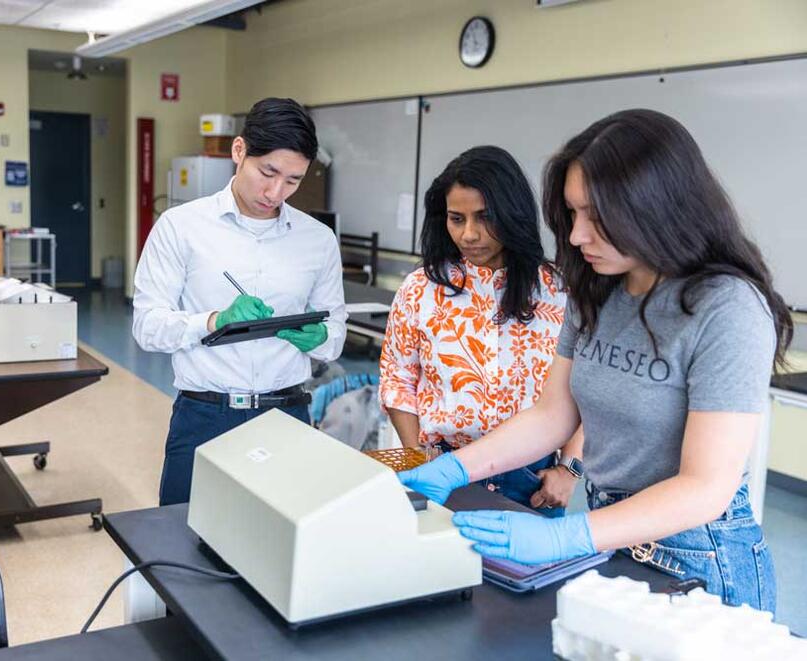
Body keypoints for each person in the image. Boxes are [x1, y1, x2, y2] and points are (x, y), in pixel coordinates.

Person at [399, 109, 792, 611]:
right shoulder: (599, 288)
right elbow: (552, 416)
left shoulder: (727, 307)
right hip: (612, 533)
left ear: (657, 206)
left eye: (597, 217)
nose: (578, 235)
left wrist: (568, 537)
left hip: (699, 557)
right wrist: (456, 467)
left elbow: (705, 488)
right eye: (573, 214)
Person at [132, 98, 347, 505]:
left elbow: (334, 337)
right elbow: (146, 327)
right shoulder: (181, 227)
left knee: (282, 553)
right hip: (204, 418)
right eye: (268, 172)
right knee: (180, 547)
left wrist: (316, 336)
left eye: (292, 181)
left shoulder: (317, 240)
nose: (275, 191)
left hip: (287, 415)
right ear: (239, 151)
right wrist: (213, 321)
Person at [380, 146, 581, 516]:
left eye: (484, 218)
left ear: (512, 213)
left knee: (529, 574)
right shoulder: (420, 289)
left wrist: (569, 468)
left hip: (533, 480)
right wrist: (416, 458)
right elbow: (398, 379)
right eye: (457, 219)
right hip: (441, 467)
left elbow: (585, 387)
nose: (469, 234)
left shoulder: (558, 290)